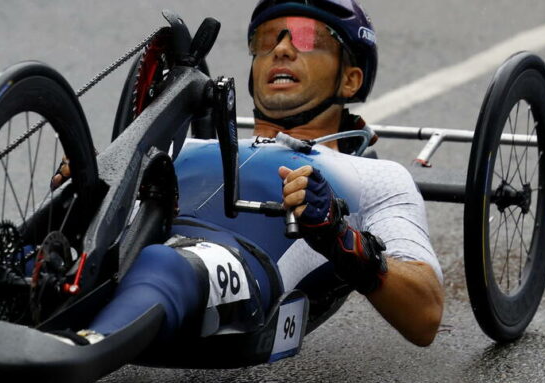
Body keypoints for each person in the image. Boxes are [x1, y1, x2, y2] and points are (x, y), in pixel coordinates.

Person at [41, 0, 444, 349]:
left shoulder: (373, 176)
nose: (282, 50)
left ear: (350, 78)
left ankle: (81, 350)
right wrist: (93, 185)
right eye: (268, 40)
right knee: (42, 260)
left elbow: (426, 314)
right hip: (127, 249)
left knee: (165, 263)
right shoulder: (182, 146)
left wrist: (343, 239)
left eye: (308, 38)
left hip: (232, 267)